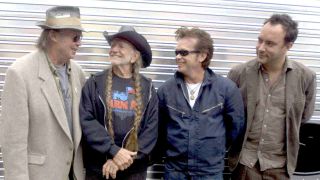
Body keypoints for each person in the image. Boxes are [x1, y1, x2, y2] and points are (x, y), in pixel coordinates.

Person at [0, 6, 86, 180]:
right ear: (53, 35)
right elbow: (13, 143)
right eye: (75, 37)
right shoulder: (19, 73)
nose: (79, 43)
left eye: (80, 38)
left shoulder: (79, 74)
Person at [228, 14, 317, 179]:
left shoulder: (306, 77)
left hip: (281, 167)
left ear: (288, 45)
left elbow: (303, 117)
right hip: (245, 164)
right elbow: (228, 117)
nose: (260, 47)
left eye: (269, 43)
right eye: (259, 40)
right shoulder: (238, 74)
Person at [156, 27, 245, 180]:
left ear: (202, 56)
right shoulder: (166, 90)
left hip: (209, 173)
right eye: (176, 52)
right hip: (175, 172)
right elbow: (160, 130)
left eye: (184, 53)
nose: (177, 57)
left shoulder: (226, 89)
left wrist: (213, 150)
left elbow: (235, 128)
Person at [80, 25, 158, 180]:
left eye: (121, 46)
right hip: (100, 169)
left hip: (133, 170)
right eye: (113, 45)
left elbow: (151, 131)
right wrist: (112, 150)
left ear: (134, 57)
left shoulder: (147, 88)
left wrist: (120, 160)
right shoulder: (95, 83)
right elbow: (87, 121)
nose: (114, 49)